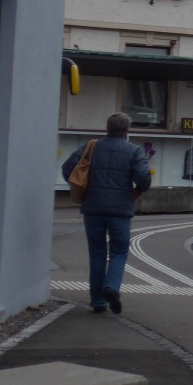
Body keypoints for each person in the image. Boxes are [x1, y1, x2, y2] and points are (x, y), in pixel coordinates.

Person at [61, 112, 151, 314]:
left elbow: (68, 169)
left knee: (97, 253)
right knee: (118, 252)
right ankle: (111, 287)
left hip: (92, 209)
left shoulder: (91, 147)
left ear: (107, 128)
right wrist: (134, 193)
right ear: (127, 130)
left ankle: (98, 301)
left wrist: (84, 189)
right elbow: (145, 177)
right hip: (120, 210)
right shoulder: (133, 151)